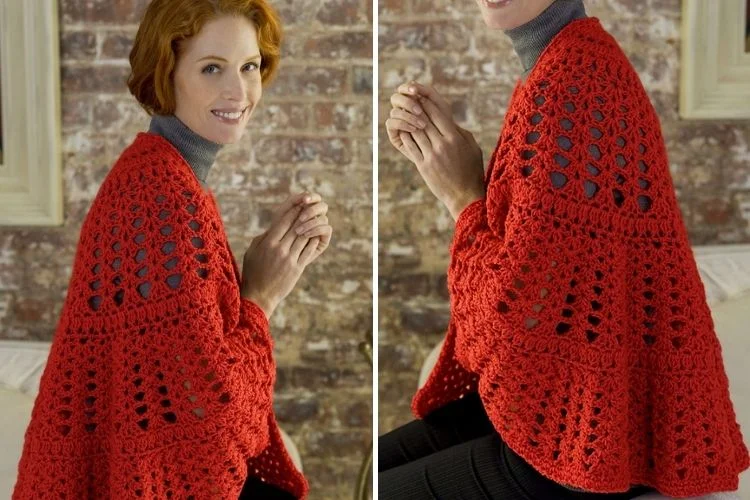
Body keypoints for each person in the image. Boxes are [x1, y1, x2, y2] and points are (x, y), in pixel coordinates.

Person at [382, 0, 750, 498]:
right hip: (577, 414)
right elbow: (557, 286)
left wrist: (460, 194)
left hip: (579, 446)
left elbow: (513, 323)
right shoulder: (570, 61)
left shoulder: (570, 85)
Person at [12, 1, 331, 498]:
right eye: (211, 68)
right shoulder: (162, 197)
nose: (239, 91)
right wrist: (263, 297)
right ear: (167, 73)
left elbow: (178, 379)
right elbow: (213, 424)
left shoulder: (158, 174)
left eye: (249, 66)